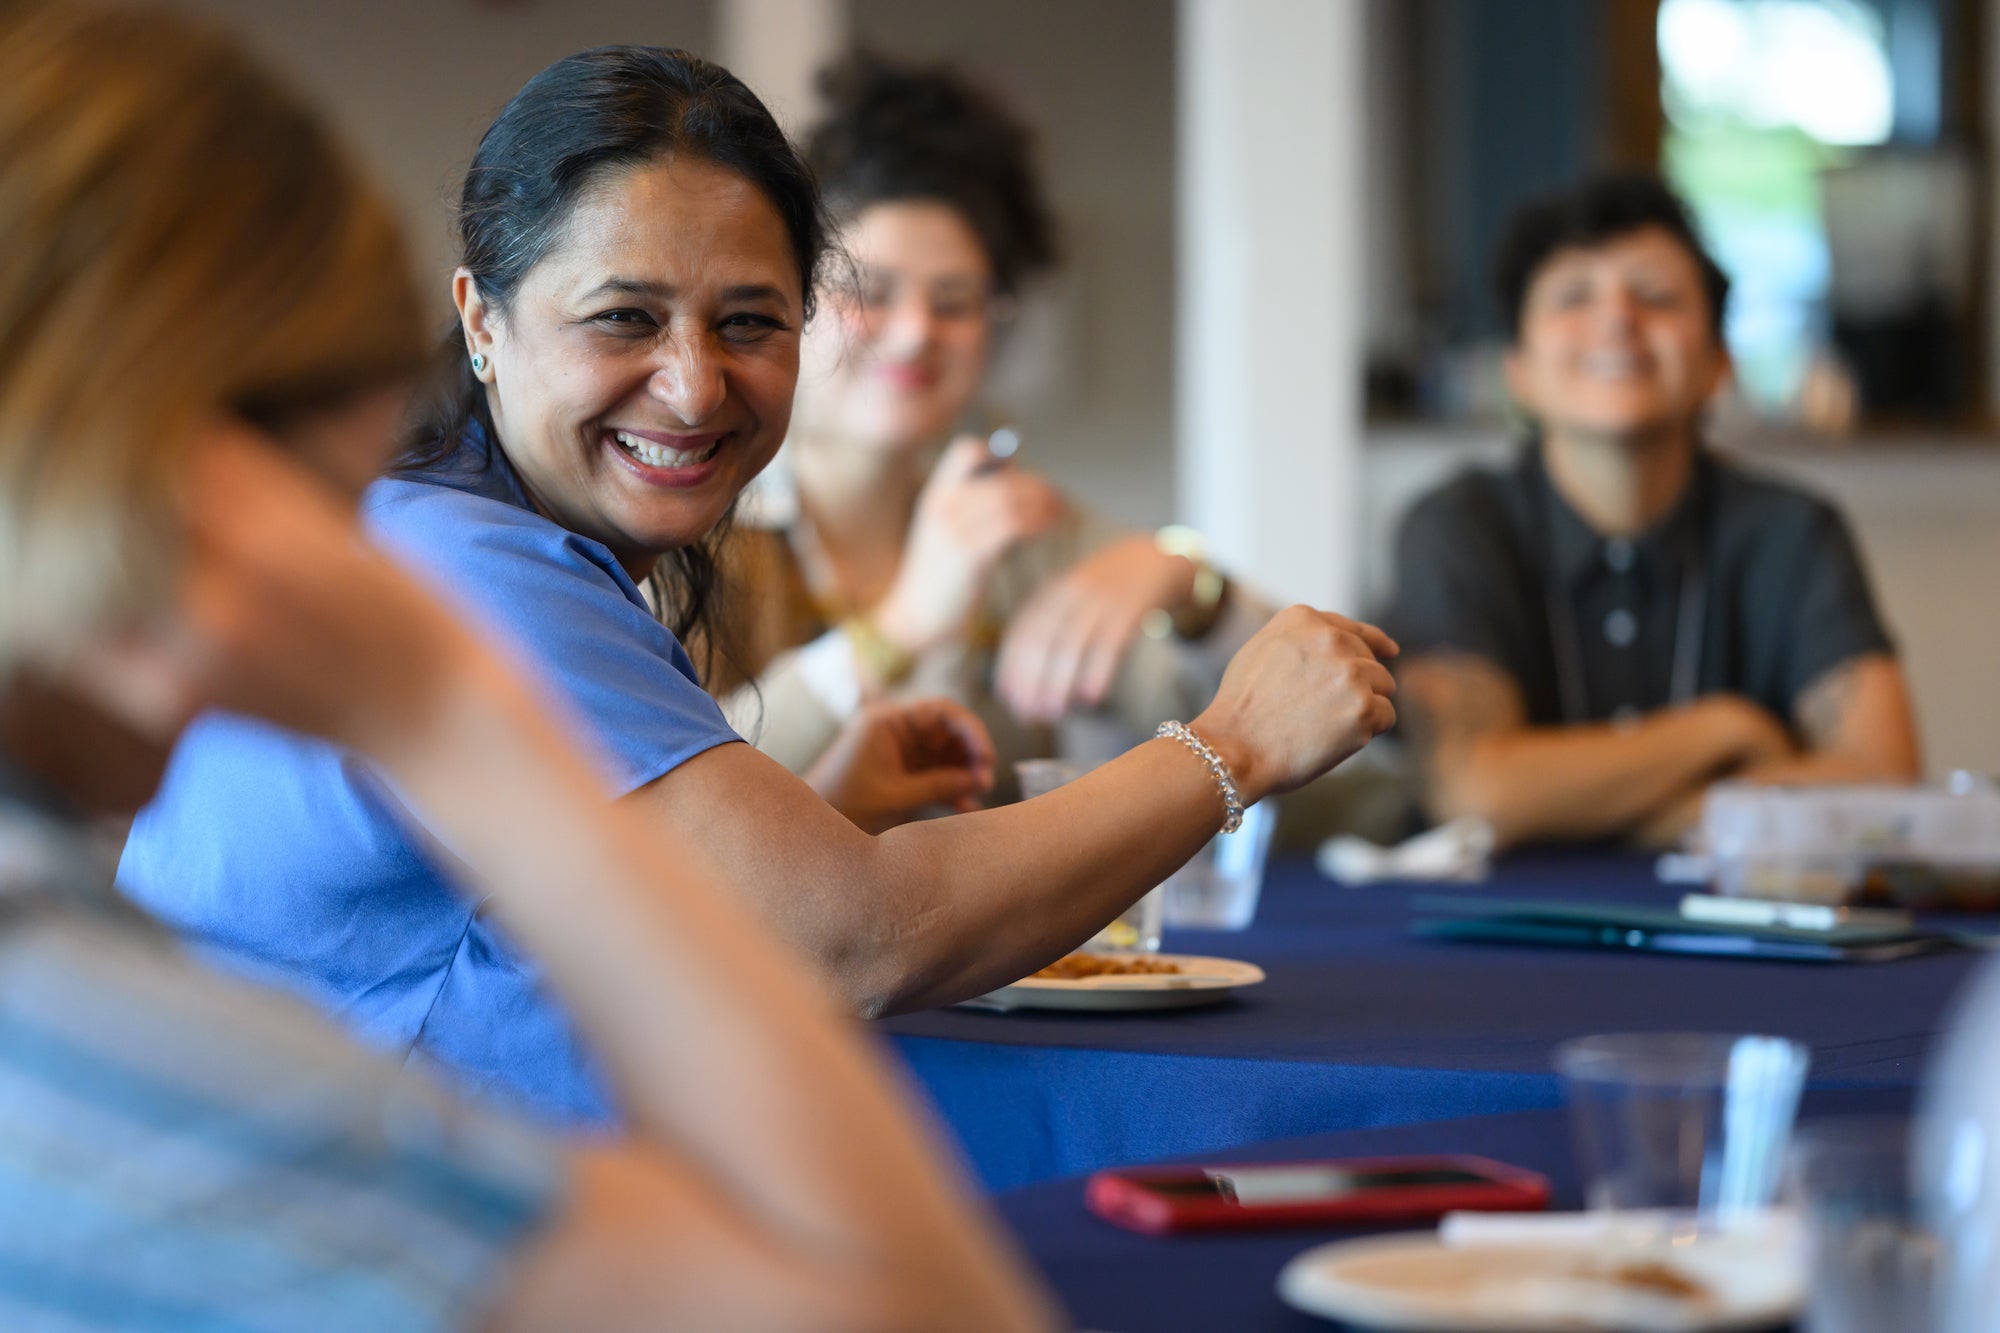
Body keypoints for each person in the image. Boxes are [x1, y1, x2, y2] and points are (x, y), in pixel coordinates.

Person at [2, 5, 1054, 1327]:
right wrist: (449, 710)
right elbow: (921, 1305)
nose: (691, 388)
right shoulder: (86, 1042)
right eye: (315, 448)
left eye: (747, 323)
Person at [119, 43, 1398, 1127]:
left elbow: (530, 916)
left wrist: (801, 811)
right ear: (481, 321)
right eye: (622, 317)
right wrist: (1230, 745)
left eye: (748, 323)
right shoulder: (466, 564)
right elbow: (857, 940)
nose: (692, 386)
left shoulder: (465, 530)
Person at [708, 53, 1271, 799]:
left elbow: (1281, 743)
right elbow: (680, 793)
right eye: (870, 290)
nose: (915, 334)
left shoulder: (1019, 525)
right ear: (790, 297)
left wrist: (1182, 579)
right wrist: (900, 626)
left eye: (953, 300)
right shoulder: (693, 519)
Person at [1388, 173, 1919, 850]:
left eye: (1657, 295)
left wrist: (1585, 805)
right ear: (1518, 369)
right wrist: (1728, 730)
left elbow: (1888, 789)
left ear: (1718, 363)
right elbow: (1474, 794)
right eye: (1574, 296)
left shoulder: (1794, 530)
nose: (1616, 318)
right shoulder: (1456, 526)